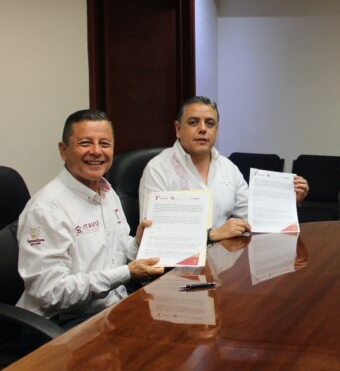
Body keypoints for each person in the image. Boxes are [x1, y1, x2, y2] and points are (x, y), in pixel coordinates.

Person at [17, 110, 164, 326]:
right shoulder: (46, 209)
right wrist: (126, 273)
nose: (96, 151)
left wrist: (137, 244)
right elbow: (50, 292)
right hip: (63, 323)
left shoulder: (107, 191)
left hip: (111, 309)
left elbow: (115, 256)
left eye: (104, 144)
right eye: (85, 143)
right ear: (63, 150)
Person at [139, 96, 309, 242]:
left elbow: (253, 218)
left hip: (222, 261)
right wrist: (211, 235)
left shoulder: (228, 168)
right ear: (178, 129)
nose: (202, 129)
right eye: (193, 122)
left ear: (216, 129)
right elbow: (153, 234)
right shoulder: (157, 169)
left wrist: (288, 202)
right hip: (176, 266)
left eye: (210, 123)